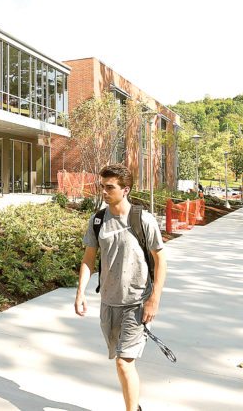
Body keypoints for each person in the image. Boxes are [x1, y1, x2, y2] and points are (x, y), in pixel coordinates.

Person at [74, 164, 167, 411]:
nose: (104, 191)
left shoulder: (142, 219)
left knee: (124, 362)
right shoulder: (97, 220)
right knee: (119, 359)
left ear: (125, 189)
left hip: (137, 302)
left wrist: (154, 299)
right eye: (102, 186)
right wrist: (81, 292)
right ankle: (134, 405)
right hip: (108, 301)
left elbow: (161, 261)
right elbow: (88, 259)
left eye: (110, 187)